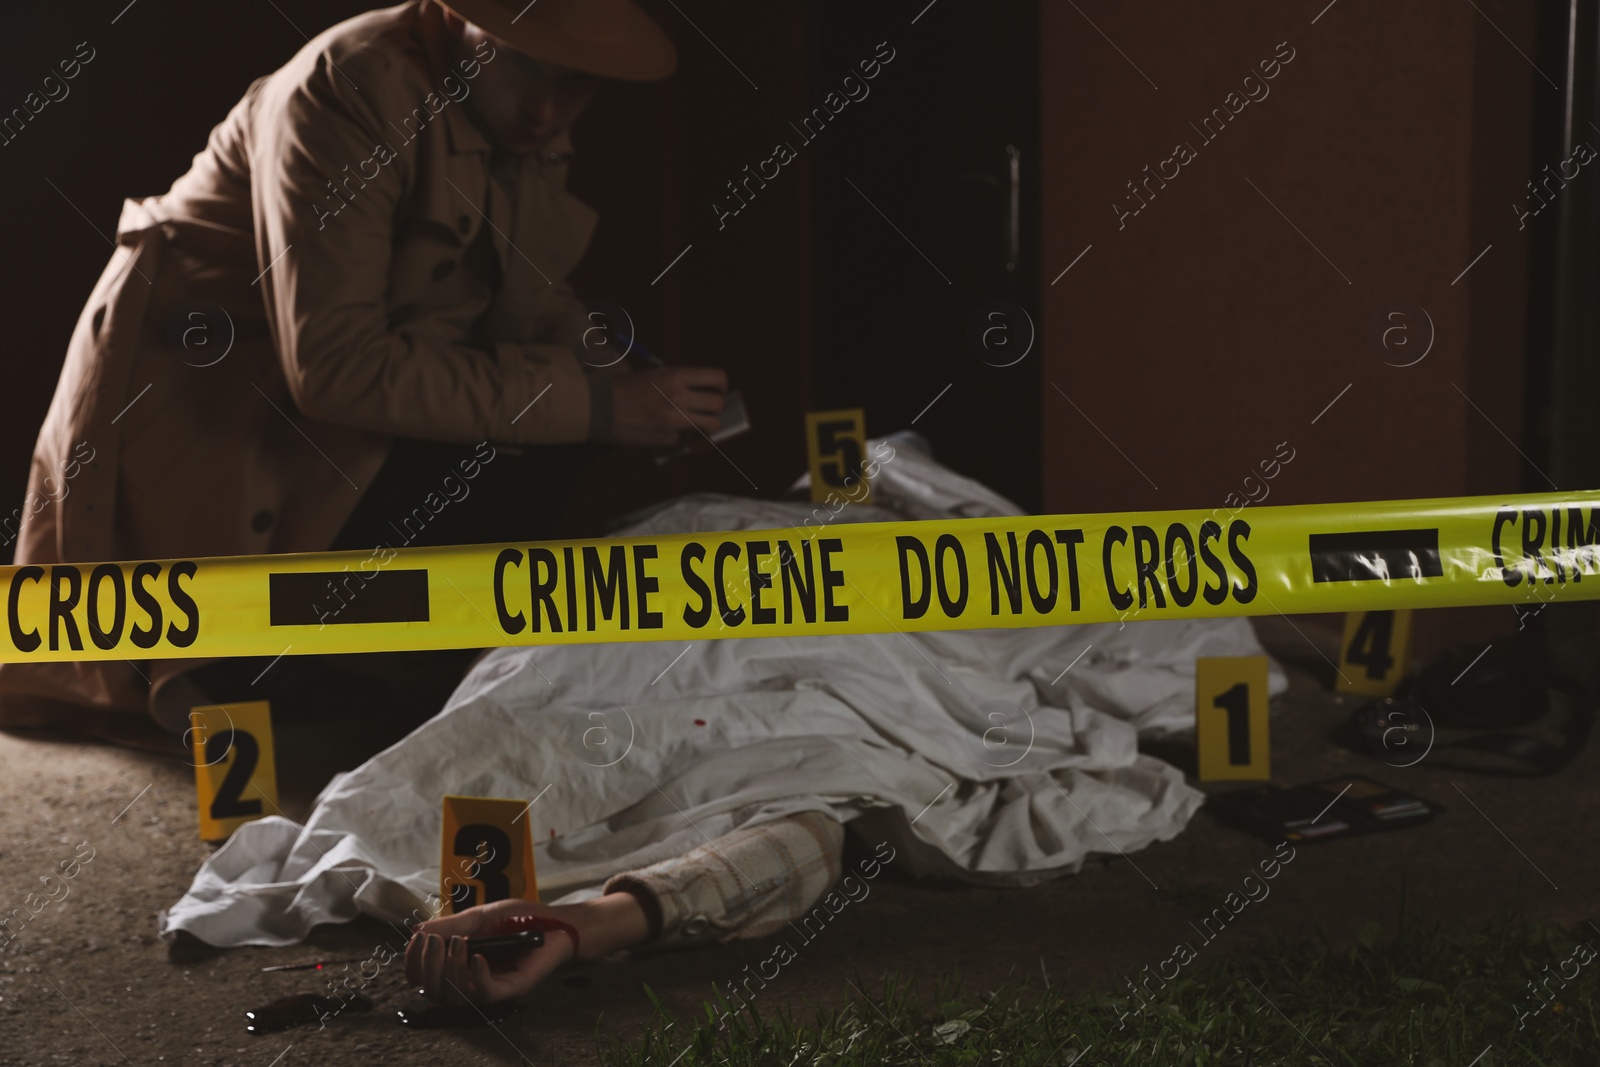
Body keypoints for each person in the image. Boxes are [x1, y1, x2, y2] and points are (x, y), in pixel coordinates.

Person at [0, 0, 727, 744]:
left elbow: (518, 291)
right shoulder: (346, 87)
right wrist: (599, 406)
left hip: (326, 420)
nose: (547, 108)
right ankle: (276, 667)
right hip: (210, 424)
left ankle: (358, 670)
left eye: (575, 84)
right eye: (525, 66)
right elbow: (336, 369)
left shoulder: (514, 113)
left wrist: (604, 364)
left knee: (562, 428)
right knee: (553, 432)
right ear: (455, 20)